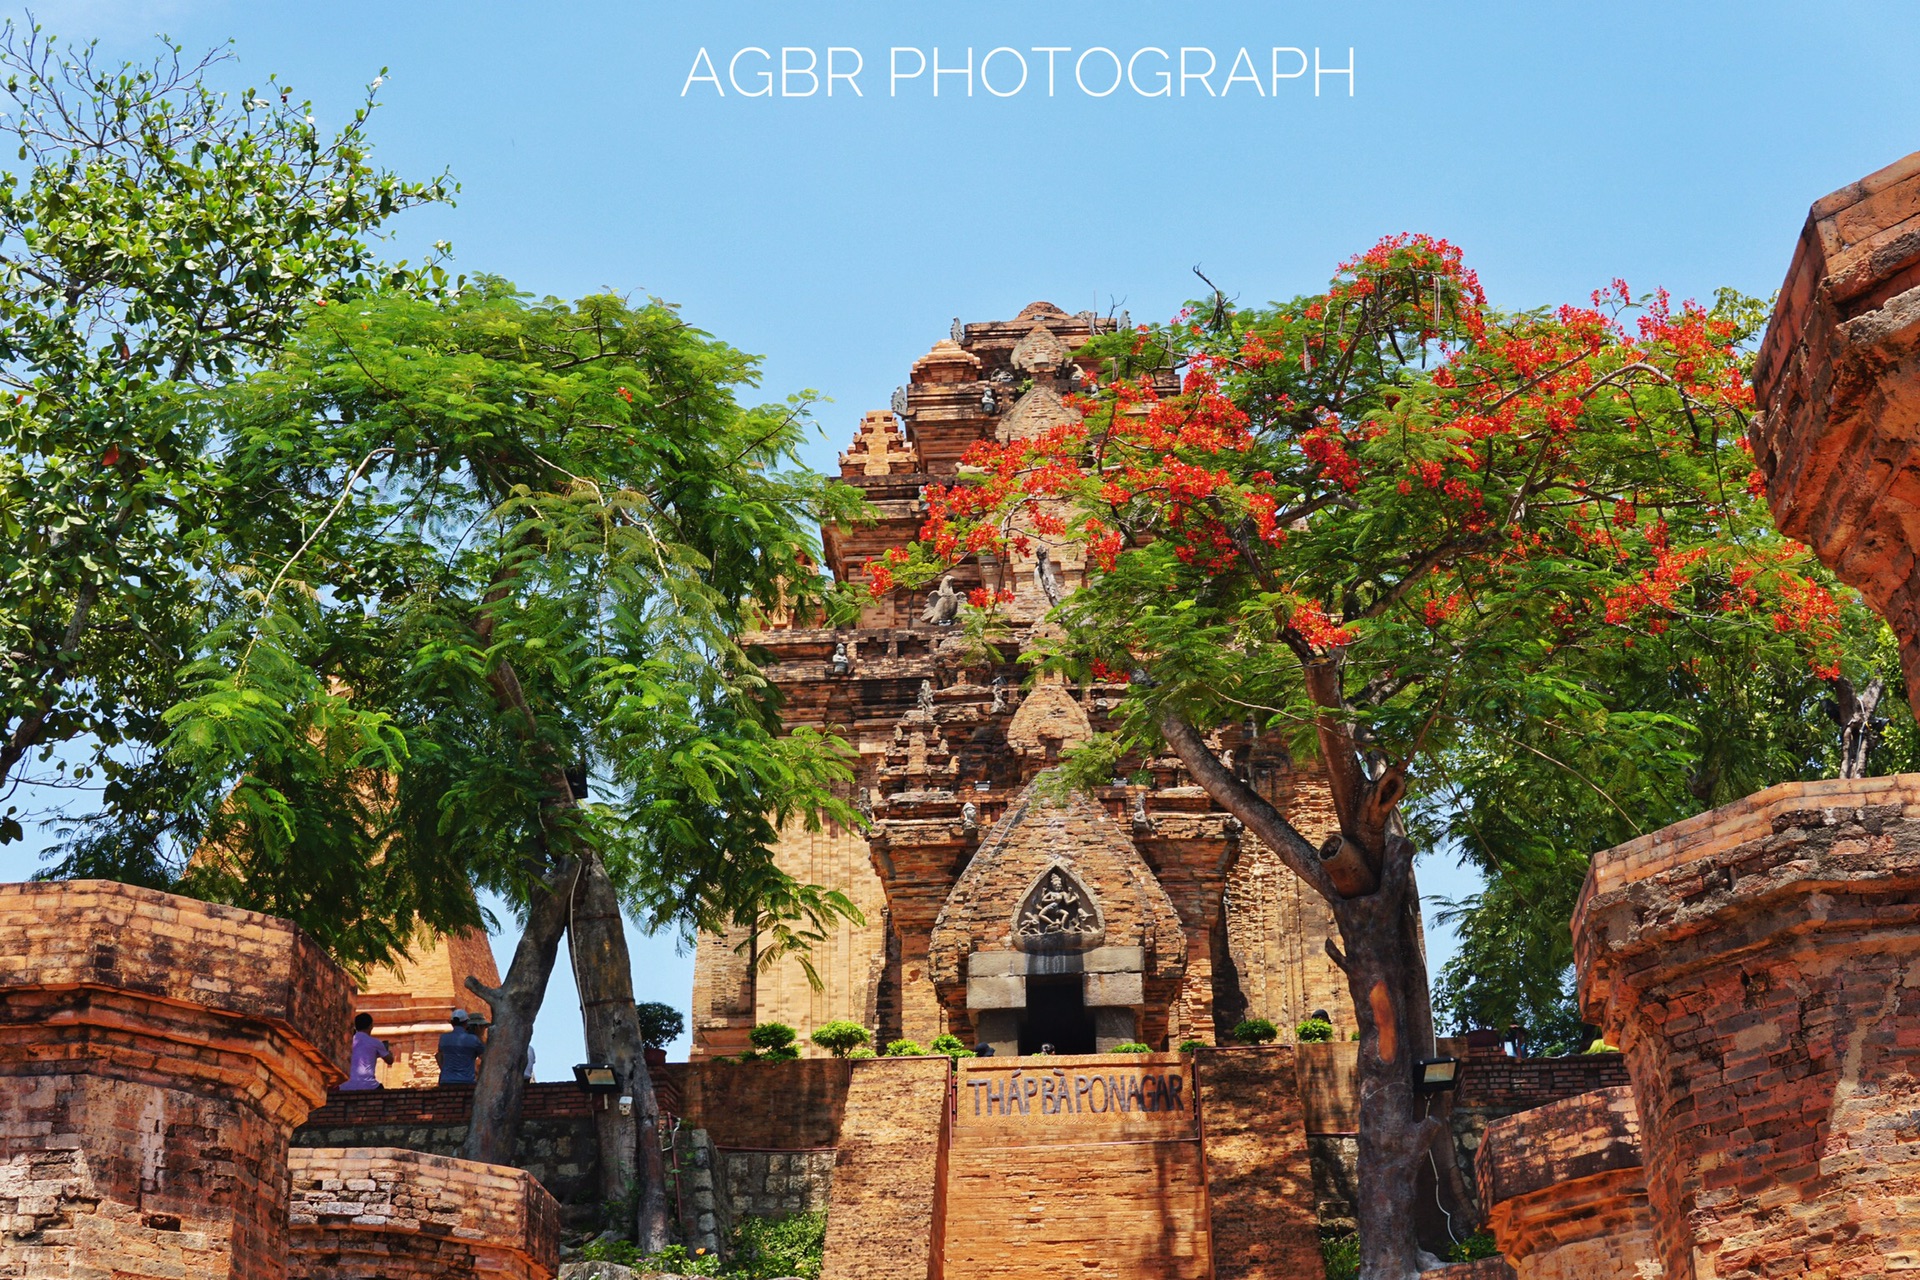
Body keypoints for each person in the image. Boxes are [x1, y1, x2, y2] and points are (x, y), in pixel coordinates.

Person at [340, 1012, 394, 1091]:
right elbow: (390, 1061)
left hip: (345, 1086)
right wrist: (389, 1053)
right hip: (369, 1086)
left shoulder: (347, 1042)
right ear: (371, 1026)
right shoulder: (375, 1043)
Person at [437, 1009, 485, 1085]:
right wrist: (479, 1036)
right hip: (466, 1081)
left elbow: (439, 1056)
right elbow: (485, 1056)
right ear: (466, 1023)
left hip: (446, 1081)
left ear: (451, 1023)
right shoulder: (473, 1039)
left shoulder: (443, 1038)